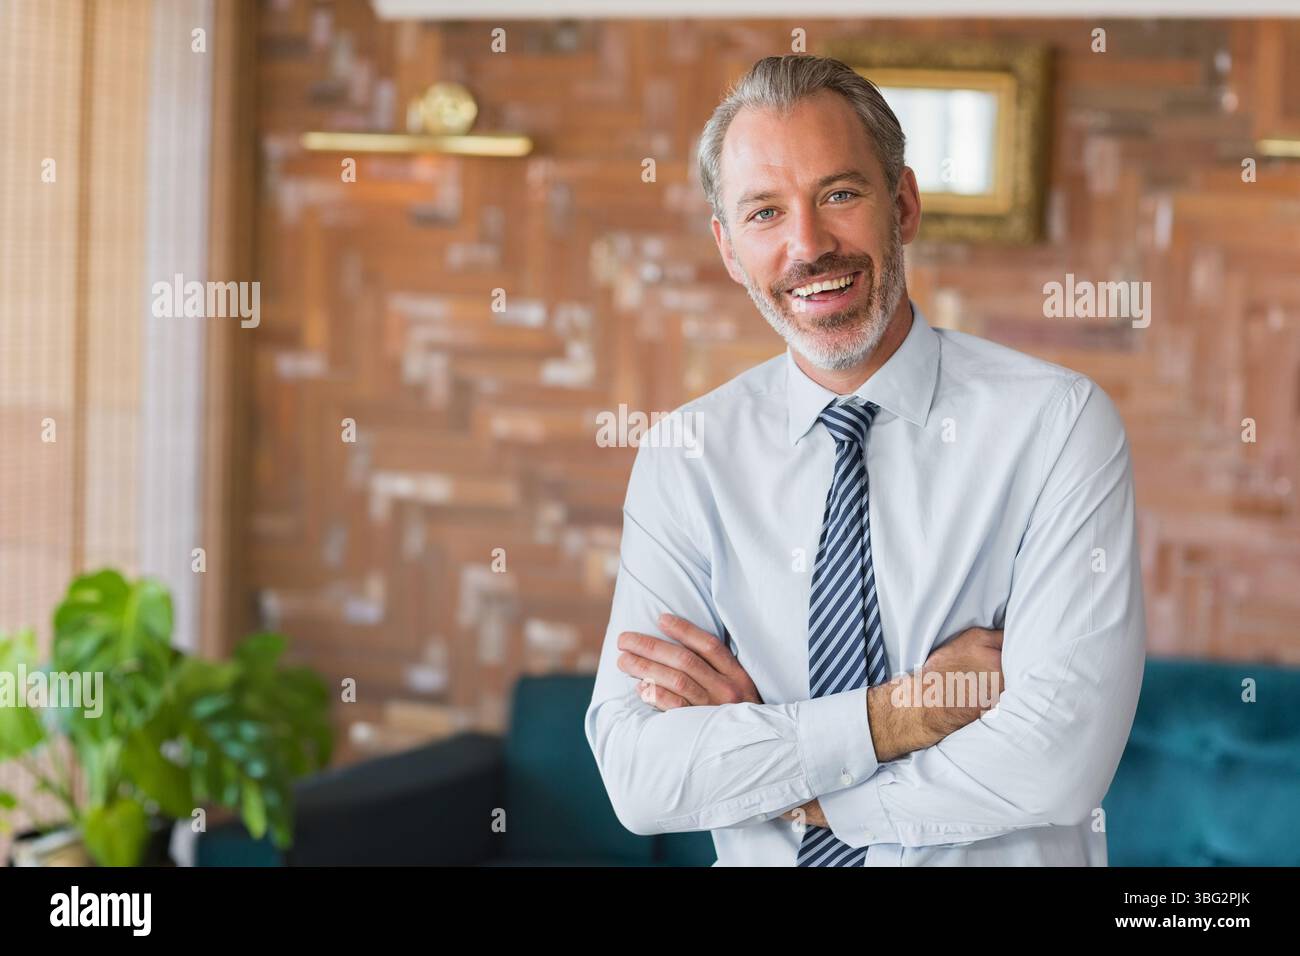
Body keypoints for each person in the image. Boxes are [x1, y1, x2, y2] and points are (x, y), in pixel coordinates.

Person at [584, 54, 1145, 866]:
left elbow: (1057, 761)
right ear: (729, 248)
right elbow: (641, 781)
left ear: (904, 204)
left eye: (839, 195)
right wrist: (902, 717)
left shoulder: (1057, 425)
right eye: (765, 213)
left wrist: (790, 775)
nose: (808, 245)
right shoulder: (687, 458)